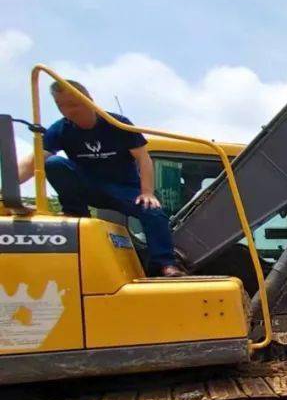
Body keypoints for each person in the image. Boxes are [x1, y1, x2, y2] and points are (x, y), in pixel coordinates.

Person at [18, 79, 181, 276]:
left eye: (73, 104)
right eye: (61, 106)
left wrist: (147, 192)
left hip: (122, 189)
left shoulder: (117, 123)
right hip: (88, 185)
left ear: (89, 100)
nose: (68, 111)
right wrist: (7, 188)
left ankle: (165, 265)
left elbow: (143, 158)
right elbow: (32, 162)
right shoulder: (60, 130)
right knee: (53, 163)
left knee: (153, 211)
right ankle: (75, 213)